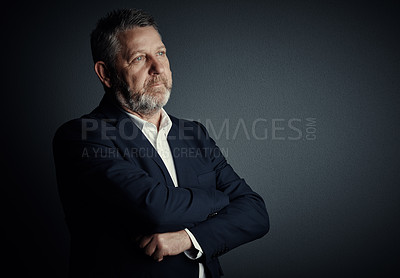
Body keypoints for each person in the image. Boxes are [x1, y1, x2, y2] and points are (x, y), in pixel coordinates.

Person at [53, 8, 269, 278]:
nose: (157, 68)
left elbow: (256, 213)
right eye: (140, 58)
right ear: (106, 74)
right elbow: (156, 209)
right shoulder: (82, 136)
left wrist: (188, 238)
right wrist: (223, 199)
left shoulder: (194, 134)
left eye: (161, 53)